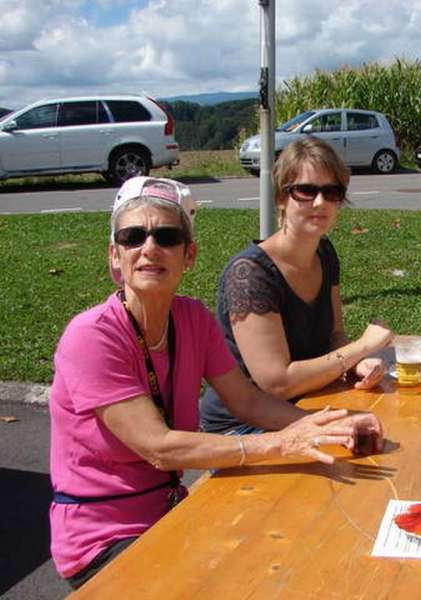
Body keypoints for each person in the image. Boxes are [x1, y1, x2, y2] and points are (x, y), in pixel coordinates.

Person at [49, 176, 384, 589]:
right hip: (103, 539)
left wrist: (325, 425)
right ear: (115, 257)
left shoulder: (191, 318)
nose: (150, 248)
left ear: (189, 255)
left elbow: (247, 402)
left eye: (167, 236)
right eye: (133, 236)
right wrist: (275, 444)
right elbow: (159, 448)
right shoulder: (91, 336)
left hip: (169, 514)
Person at [201, 137, 393, 435]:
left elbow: (335, 335)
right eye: (305, 191)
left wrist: (358, 364)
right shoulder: (250, 274)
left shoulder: (324, 253)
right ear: (281, 197)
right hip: (247, 424)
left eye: (332, 192)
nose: (320, 202)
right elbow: (277, 383)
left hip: (307, 401)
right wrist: (362, 348)